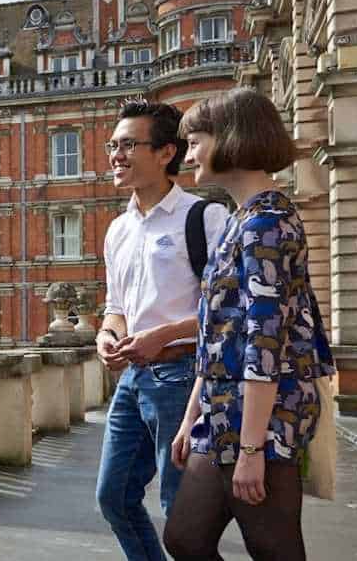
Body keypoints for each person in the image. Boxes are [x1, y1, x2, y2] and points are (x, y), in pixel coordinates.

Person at [162, 88, 335, 561]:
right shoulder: (241, 220)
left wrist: (254, 449)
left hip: (264, 416)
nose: (188, 153)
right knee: (185, 539)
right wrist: (191, 415)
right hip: (222, 411)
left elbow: (264, 341)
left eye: (196, 141)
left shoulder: (268, 223)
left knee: (275, 550)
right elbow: (217, 331)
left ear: (231, 139)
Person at [95, 100, 230, 561]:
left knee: (181, 513)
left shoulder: (205, 218)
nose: (115, 155)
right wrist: (106, 335)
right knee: (113, 497)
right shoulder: (117, 229)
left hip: (184, 376)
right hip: (132, 380)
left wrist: (165, 334)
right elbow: (116, 308)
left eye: (128, 144)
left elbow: (231, 310)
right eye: (113, 145)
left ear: (166, 152)